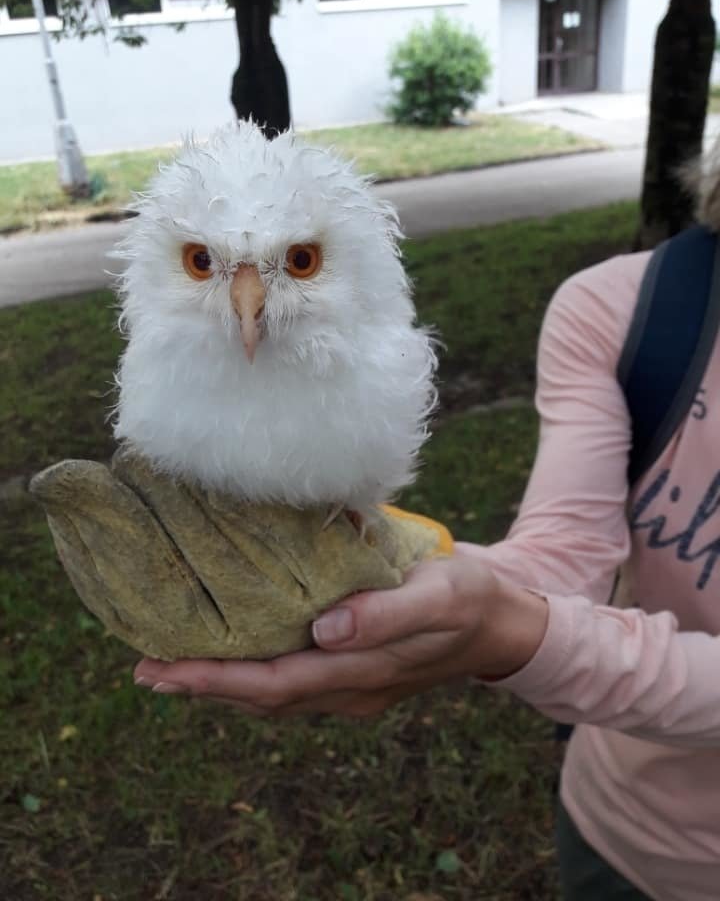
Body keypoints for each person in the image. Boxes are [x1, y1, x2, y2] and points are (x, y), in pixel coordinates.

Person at [133, 149, 720, 901]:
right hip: (622, 835)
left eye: (302, 260)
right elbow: (571, 556)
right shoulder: (634, 310)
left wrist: (505, 630)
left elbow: (531, 615)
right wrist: (422, 582)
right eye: (202, 261)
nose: (250, 304)